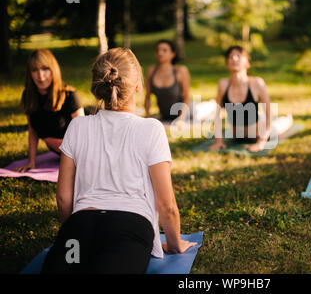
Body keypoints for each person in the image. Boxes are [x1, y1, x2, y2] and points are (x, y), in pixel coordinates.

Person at [41, 48, 196, 274]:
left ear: (98, 87)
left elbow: (64, 198)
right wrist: (174, 245)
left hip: (81, 224)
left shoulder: (78, 126)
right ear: (137, 86)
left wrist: (72, 234)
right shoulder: (151, 129)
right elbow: (167, 205)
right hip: (129, 228)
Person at [209, 46, 293, 152]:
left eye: (238, 56)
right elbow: (217, 114)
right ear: (227, 63)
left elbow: (269, 113)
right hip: (237, 135)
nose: (234, 59)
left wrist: (261, 143)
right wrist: (218, 141)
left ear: (247, 63)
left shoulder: (257, 83)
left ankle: (288, 119)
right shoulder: (223, 84)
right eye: (230, 57)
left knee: (278, 126)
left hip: (259, 132)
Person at [15, 49, 84, 173]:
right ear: (29, 73)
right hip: (61, 152)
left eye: (45, 69)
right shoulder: (28, 96)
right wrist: (31, 162)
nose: (40, 76)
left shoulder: (69, 95)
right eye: (35, 70)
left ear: (53, 70)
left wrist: (81, 160)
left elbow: (84, 135)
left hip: (83, 148)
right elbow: (32, 131)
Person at [144, 39, 191, 129]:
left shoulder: (181, 71)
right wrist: (147, 115)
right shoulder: (151, 71)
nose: (160, 53)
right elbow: (147, 96)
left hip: (188, 112)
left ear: (173, 54)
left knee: (205, 109)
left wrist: (181, 119)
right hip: (165, 115)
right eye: (158, 50)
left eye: (164, 50)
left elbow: (186, 97)